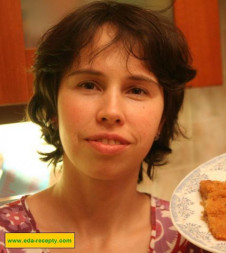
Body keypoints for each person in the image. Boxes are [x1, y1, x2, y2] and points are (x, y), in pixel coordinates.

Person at [0, 1, 207, 252]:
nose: (111, 112)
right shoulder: (11, 237)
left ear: (162, 121)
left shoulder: (194, 239)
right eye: (89, 85)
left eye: (137, 90)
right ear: (53, 107)